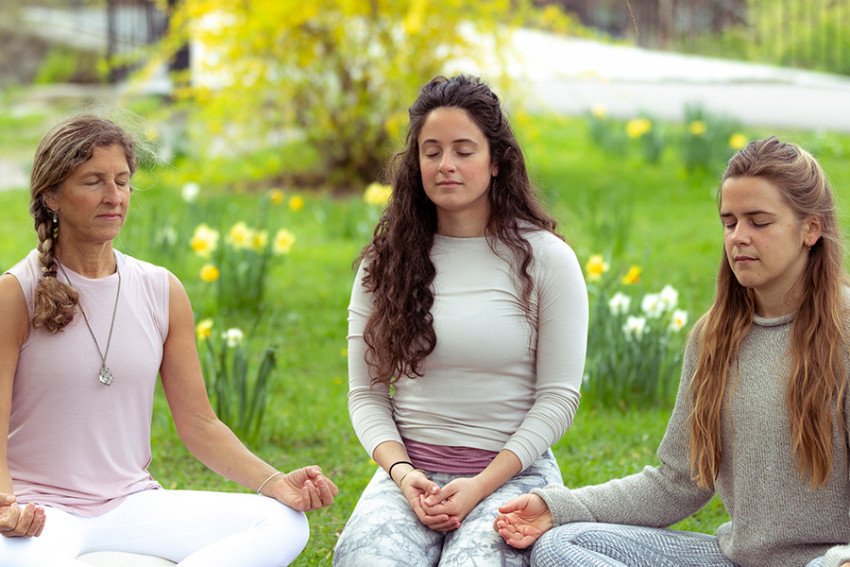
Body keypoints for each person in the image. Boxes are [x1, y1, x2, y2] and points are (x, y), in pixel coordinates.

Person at [494, 136, 850, 567]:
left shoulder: (843, 334)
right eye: (729, 222)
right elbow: (679, 481)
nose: (738, 237)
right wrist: (559, 507)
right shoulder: (714, 337)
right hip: (732, 559)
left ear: (810, 228)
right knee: (560, 546)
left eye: (759, 221)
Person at [0, 114, 338, 566]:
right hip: (41, 514)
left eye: (122, 181)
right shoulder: (14, 293)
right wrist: (6, 508)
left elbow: (199, 424)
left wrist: (275, 481)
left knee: (282, 523)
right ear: (51, 195)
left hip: (132, 506)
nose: (114, 197)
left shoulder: (161, 290)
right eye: (93, 181)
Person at [332, 74, 588, 566]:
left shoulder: (546, 259)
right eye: (432, 151)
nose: (446, 165)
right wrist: (404, 476)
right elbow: (366, 393)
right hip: (413, 478)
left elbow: (558, 398)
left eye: (463, 150)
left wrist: (479, 486)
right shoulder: (383, 264)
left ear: (495, 162)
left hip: (512, 477)